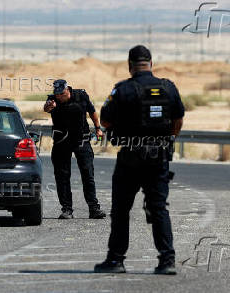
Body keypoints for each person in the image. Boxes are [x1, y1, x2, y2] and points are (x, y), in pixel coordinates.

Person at [94, 45, 184, 275]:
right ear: (151, 64)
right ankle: (167, 261)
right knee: (159, 209)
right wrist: (167, 138)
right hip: (158, 158)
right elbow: (178, 119)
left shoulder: (122, 89)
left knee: (121, 210)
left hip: (131, 159)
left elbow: (104, 122)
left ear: (130, 66)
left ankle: (116, 261)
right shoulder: (168, 87)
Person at [43, 79, 106, 219]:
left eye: (61, 93)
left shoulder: (81, 95)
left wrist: (97, 128)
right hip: (61, 142)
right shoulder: (52, 100)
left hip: (81, 140)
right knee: (62, 176)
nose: (59, 96)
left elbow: (92, 111)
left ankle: (94, 209)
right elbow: (46, 108)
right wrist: (49, 106)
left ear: (67, 90)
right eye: (57, 94)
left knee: (88, 174)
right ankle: (67, 209)